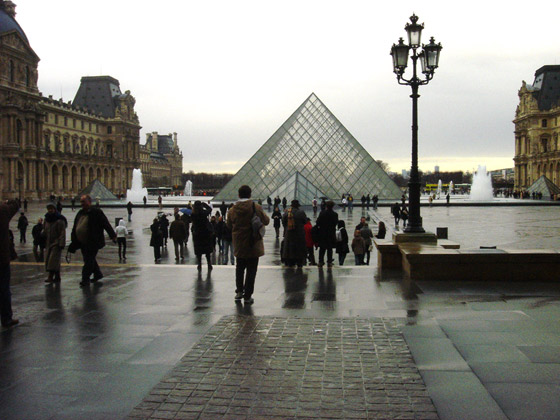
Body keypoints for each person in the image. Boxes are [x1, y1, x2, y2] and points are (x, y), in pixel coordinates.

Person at [226, 185, 270, 304]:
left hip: (239, 243)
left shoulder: (232, 210)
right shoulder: (256, 207)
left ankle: (239, 291)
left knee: (239, 268)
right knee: (251, 270)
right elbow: (266, 221)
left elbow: (229, 225)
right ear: (250, 195)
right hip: (253, 243)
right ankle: (248, 296)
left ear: (239, 195)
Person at [69, 194, 116, 287]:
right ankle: (98, 274)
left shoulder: (96, 212)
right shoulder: (80, 213)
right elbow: (75, 226)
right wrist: (74, 239)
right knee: (89, 259)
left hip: (93, 241)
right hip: (82, 242)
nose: (82, 204)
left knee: (88, 260)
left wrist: (113, 235)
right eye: (81, 202)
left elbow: (105, 223)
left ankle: (85, 279)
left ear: (89, 202)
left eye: (84, 202)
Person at [0, 198, 20, 328]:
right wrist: (6, 201)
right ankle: (6, 318)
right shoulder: (2, 210)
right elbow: (15, 203)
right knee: (4, 289)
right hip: (2, 258)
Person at [44, 202, 66, 283]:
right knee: (53, 261)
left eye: (51, 208)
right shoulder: (46, 219)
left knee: (52, 261)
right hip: (48, 243)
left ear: (55, 209)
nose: (50, 210)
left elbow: (62, 233)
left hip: (56, 243)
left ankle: (50, 277)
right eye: (49, 209)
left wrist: (61, 244)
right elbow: (44, 230)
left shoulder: (59, 220)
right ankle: (57, 277)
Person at [281, 200, 307, 268]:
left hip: (289, 233)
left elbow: (283, 222)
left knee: (289, 249)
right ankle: (299, 263)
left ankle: (290, 262)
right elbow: (305, 221)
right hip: (299, 234)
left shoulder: (287, 212)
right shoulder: (301, 212)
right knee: (299, 249)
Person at [191, 201, 214, 271]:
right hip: (205, 233)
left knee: (199, 251)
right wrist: (205, 205)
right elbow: (210, 209)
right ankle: (209, 264)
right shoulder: (203, 213)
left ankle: (199, 264)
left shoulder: (193, 214)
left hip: (197, 234)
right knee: (207, 250)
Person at [316, 200, 338, 267]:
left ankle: (321, 261)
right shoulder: (335, 214)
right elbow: (335, 223)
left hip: (322, 233)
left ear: (326, 206)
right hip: (331, 233)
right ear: (332, 206)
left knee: (322, 248)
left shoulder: (322, 213)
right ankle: (329, 261)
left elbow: (318, 222)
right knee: (329, 248)